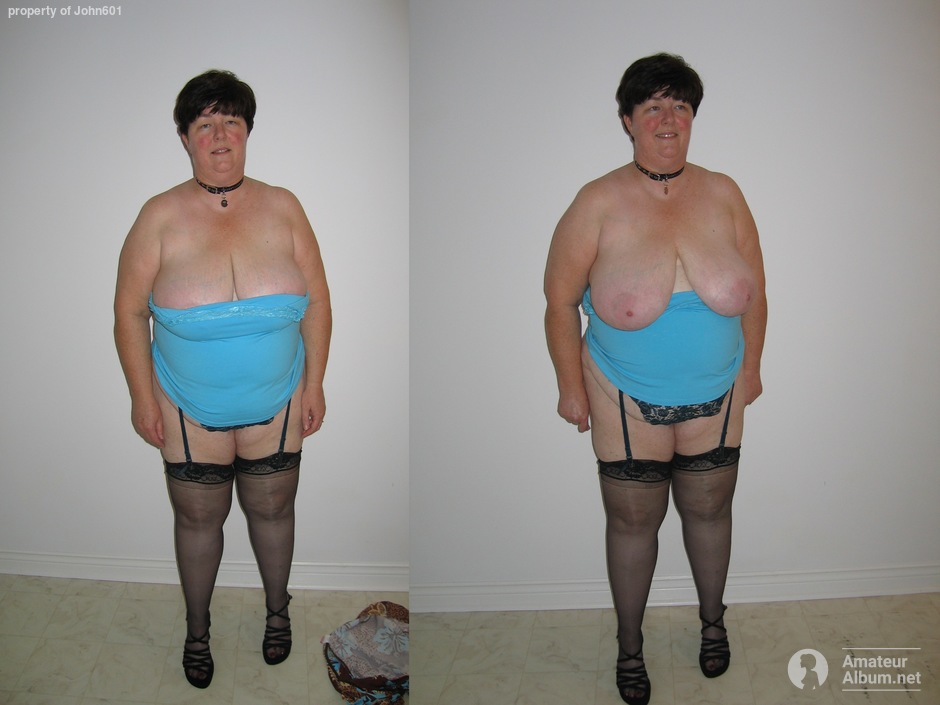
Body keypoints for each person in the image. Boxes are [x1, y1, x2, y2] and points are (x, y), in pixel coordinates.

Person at [544, 53, 766, 705]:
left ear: (693, 117)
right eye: (653, 106)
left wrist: (753, 367)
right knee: (633, 521)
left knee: (711, 510)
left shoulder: (724, 193)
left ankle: (713, 623)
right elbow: (559, 303)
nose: (668, 118)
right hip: (622, 396)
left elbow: (757, 293)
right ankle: (630, 646)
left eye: (681, 106)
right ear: (627, 120)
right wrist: (570, 387)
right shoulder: (597, 201)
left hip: (718, 393)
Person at [114, 70, 332, 689]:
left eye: (230, 121)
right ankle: (197, 631)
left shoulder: (285, 206)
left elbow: (318, 301)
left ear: (247, 131)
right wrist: (141, 397)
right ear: (185, 137)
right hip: (185, 408)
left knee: (274, 510)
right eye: (204, 123)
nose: (218, 135)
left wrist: (315, 383)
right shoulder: (158, 215)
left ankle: (278, 612)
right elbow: (128, 312)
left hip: (280, 401)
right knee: (197, 521)